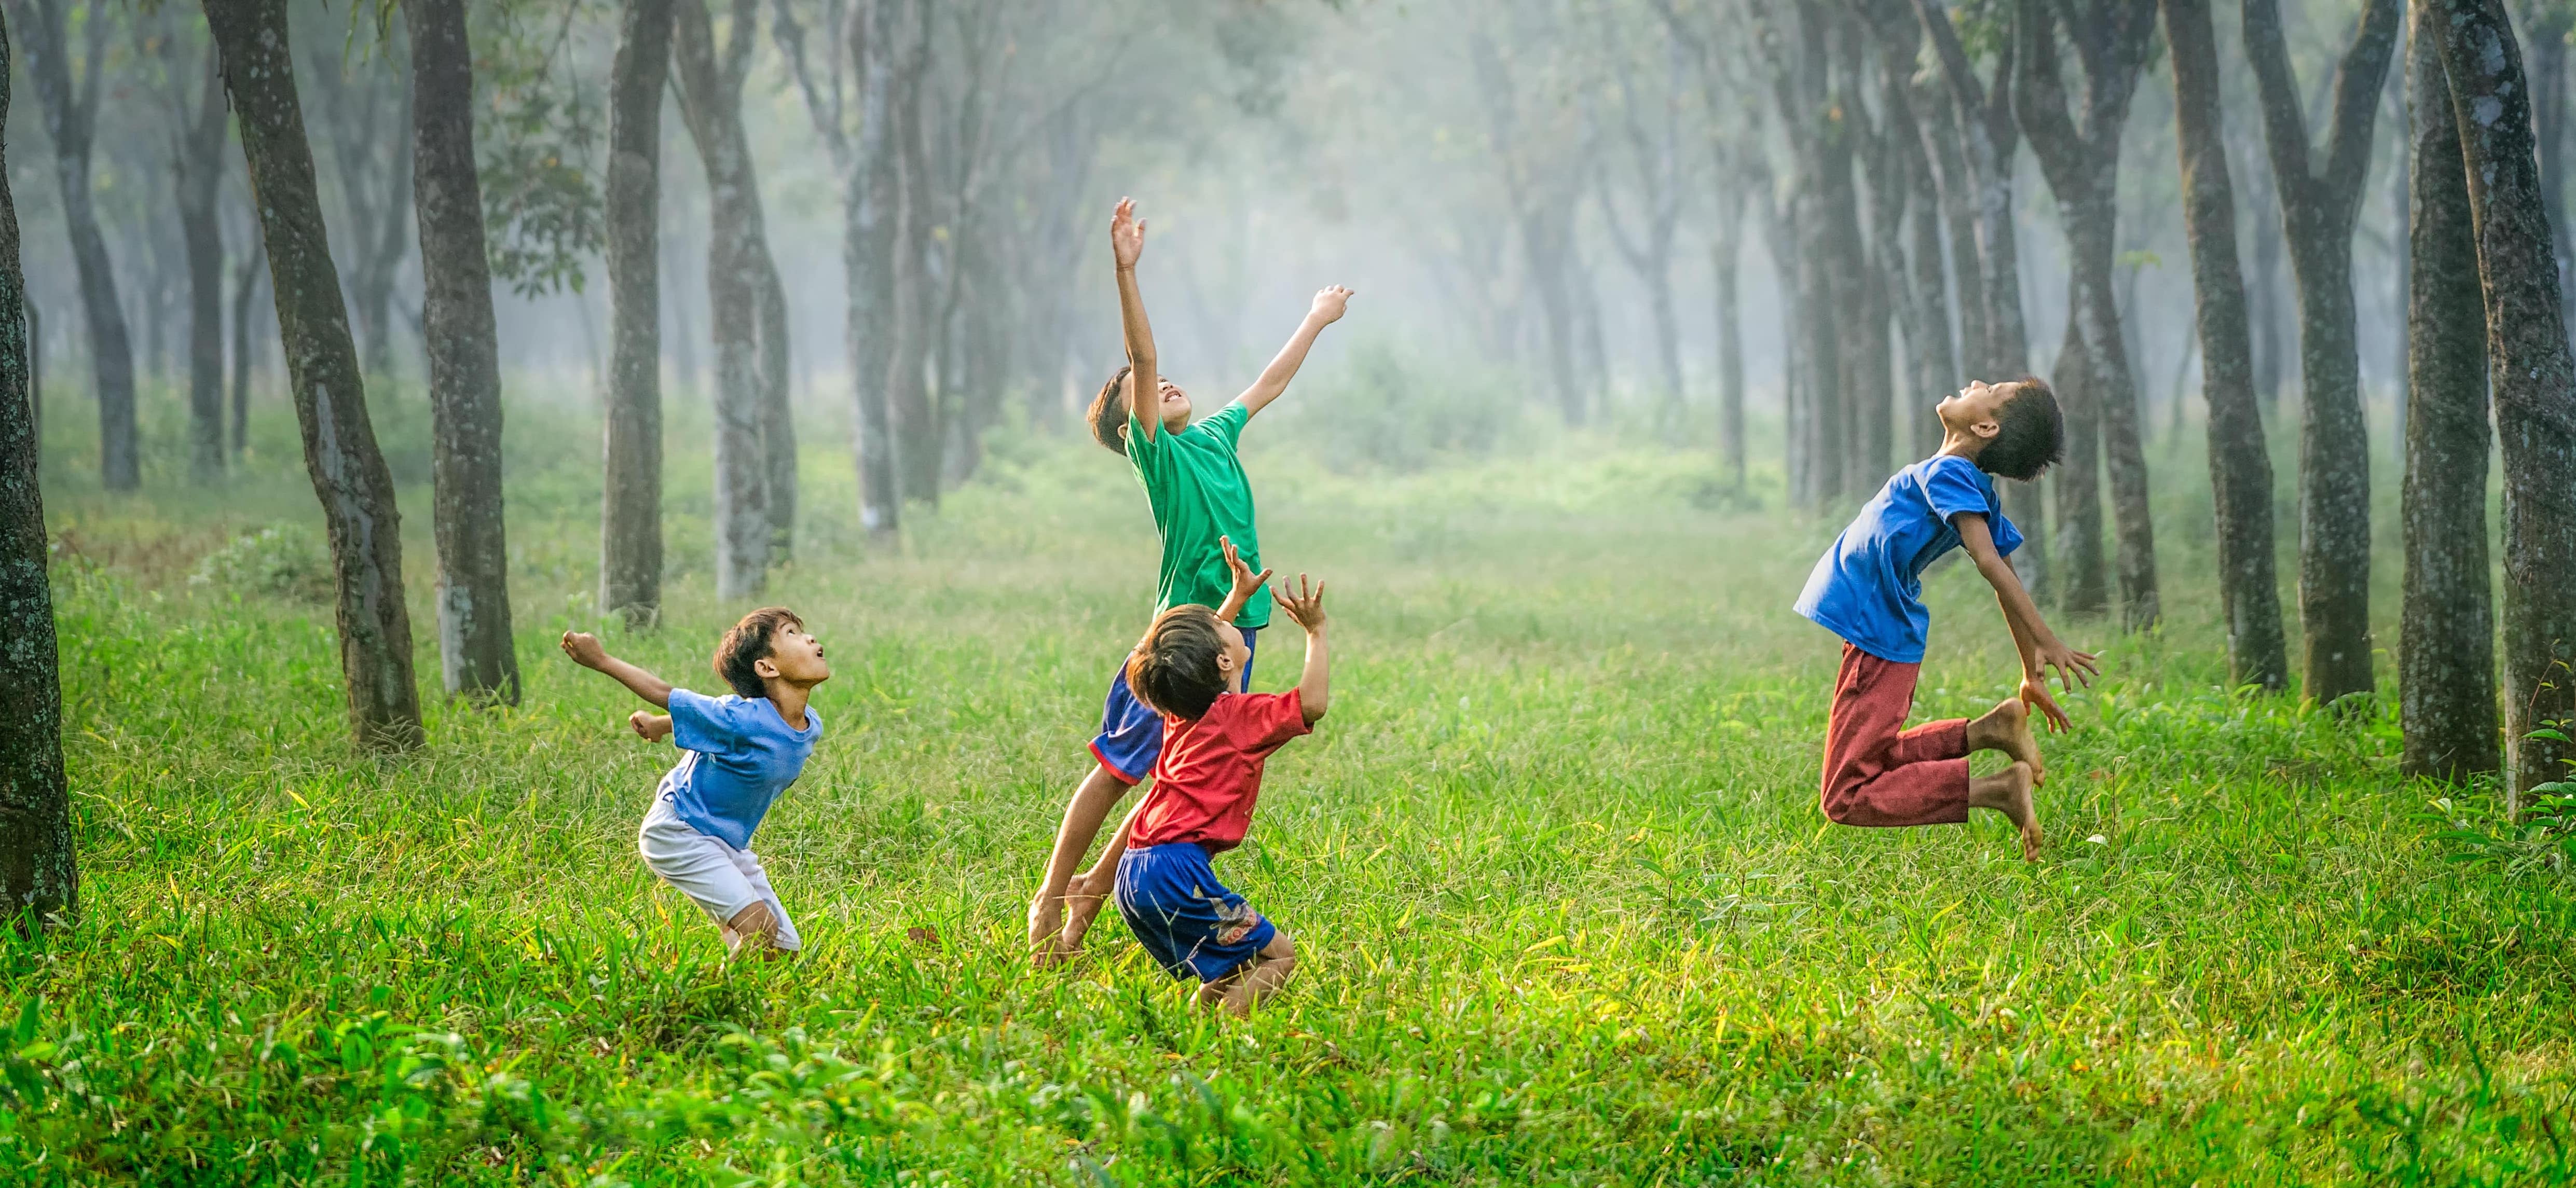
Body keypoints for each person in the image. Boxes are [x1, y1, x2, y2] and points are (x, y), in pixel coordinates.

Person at [1026, 195, 1353, 961]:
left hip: (1233, 635)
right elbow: (1141, 359)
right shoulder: (1160, 457)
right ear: (1128, 426)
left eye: (1167, 380)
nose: (1162, 381)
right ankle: (1051, 898)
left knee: (1173, 784)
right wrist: (1125, 270)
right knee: (1117, 770)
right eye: (1141, 391)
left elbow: (1268, 384)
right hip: (1180, 638)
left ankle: (1080, 920)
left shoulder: (1212, 435)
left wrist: (1315, 318)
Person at [1792, 378, 2098, 861]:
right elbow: (2005, 572)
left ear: (1985, 425)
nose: (1976, 382)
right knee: (1872, 760)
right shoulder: (1962, 478)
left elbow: (1992, 562)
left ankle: (1997, 791)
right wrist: (2028, 668)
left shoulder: (1953, 473)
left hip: (1878, 634)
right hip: (1879, 631)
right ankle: (1990, 731)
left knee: (1846, 794)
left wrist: (2046, 640)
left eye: (1991, 388)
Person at [1102, 568, 1330, 1016]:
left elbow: (1195, 662)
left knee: (1232, 968)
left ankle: (1194, 1034)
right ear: (1223, 661)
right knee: (1278, 957)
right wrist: (1316, 632)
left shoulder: (1181, 709)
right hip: (1175, 874)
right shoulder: (1239, 719)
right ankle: (1224, 1045)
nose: (1228, 621)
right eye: (1226, 625)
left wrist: (1236, 597)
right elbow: (1312, 703)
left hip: (1133, 872)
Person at [559, 608, 829, 956]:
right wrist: (601, 660)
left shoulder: (810, 725)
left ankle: (741, 968)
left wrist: (660, 725)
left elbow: (714, 725)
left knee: (783, 949)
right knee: (760, 933)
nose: (809, 638)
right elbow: (665, 693)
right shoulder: (741, 717)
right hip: (680, 831)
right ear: (766, 667)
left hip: (727, 844)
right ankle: (704, 1002)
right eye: (791, 634)